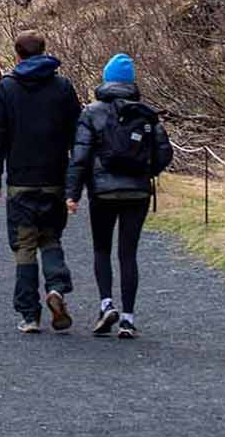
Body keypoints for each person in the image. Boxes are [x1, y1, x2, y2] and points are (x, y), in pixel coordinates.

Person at [66, 54, 174, 340]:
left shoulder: (91, 112)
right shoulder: (145, 113)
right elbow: (165, 153)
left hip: (102, 192)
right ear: (131, 82)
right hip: (137, 192)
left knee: (102, 249)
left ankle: (106, 305)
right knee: (128, 254)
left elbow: (79, 157)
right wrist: (146, 172)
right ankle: (128, 318)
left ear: (106, 79)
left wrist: (73, 194)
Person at [0, 31, 83, 334]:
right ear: (44, 51)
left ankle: (29, 314)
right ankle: (56, 287)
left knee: (24, 245)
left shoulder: (7, 89)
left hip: (21, 179)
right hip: (54, 177)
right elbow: (77, 134)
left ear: (17, 54)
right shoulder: (62, 87)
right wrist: (74, 179)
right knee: (51, 237)